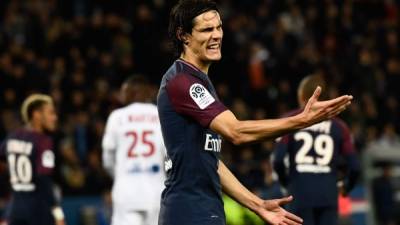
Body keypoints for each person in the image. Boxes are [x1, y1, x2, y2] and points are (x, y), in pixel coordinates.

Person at [156, 1, 353, 225]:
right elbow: (236, 132)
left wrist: (258, 204)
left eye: (219, 27)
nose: (217, 35)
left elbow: (210, 163)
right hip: (188, 212)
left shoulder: (199, 82)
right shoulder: (183, 82)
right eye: (207, 30)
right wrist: (301, 120)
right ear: (184, 35)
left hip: (202, 210)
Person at [273, 74, 360, 225]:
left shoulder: (289, 120)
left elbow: (278, 160)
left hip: (299, 193)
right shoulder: (339, 127)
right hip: (328, 195)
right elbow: (355, 167)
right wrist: (346, 187)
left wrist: (287, 183)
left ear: (301, 96)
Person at [102, 75, 166, 225]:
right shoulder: (161, 115)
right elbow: (170, 155)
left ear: (131, 92)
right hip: (156, 189)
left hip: (126, 190)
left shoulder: (117, 117)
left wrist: (120, 174)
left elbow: (107, 159)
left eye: (124, 92)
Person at [0, 94, 65, 225]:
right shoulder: (43, 141)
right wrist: (58, 213)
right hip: (38, 211)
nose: (55, 118)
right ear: (36, 115)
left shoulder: (11, 137)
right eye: (51, 113)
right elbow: (44, 180)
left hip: (14, 210)